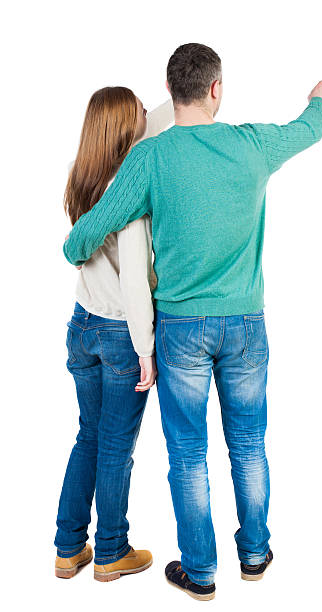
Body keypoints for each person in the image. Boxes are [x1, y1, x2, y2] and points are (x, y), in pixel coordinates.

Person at [63, 44, 322, 600]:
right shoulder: (253, 144)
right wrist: (320, 102)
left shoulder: (151, 158)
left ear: (169, 92)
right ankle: (255, 554)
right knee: (250, 444)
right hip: (246, 326)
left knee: (188, 455)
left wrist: (74, 247)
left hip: (180, 332)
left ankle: (201, 570)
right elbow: (307, 130)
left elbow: (95, 229)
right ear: (217, 89)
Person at [55, 87, 173, 581]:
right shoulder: (126, 191)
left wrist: (174, 93)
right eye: (140, 115)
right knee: (116, 447)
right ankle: (110, 550)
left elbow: (156, 118)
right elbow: (132, 281)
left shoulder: (84, 178)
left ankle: (67, 548)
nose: (149, 117)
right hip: (119, 332)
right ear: (130, 131)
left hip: (81, 325)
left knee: (89, 435)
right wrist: (145, 349)